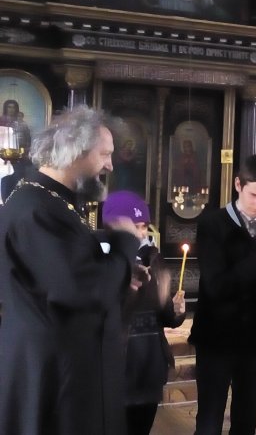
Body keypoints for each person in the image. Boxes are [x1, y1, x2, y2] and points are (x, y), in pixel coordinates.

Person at [0, 105, 143, 435]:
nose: (110, 165)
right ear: (75, 151)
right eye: (104, 154)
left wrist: (121, 266)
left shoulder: (48, 201)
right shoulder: (38, 208)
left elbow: (69, 263)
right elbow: (82, 289)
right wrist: (124, 244)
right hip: (56, 371)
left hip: (61, 360)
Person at [189, 153, 256, 435]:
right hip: (216, 338)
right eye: (254, 195)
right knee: (209, 421)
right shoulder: (212, 224)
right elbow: (216, 287)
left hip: (255, 340)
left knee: (246, 420)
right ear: (238, 185)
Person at [103, 191, 187, 435]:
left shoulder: (154, 258)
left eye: (143, 226)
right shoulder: (101, 261)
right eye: (134, 226)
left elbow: (166, 316)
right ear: (113, 225)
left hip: (150, 365)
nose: (140, 233)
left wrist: (177, 312)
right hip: (118, 365)